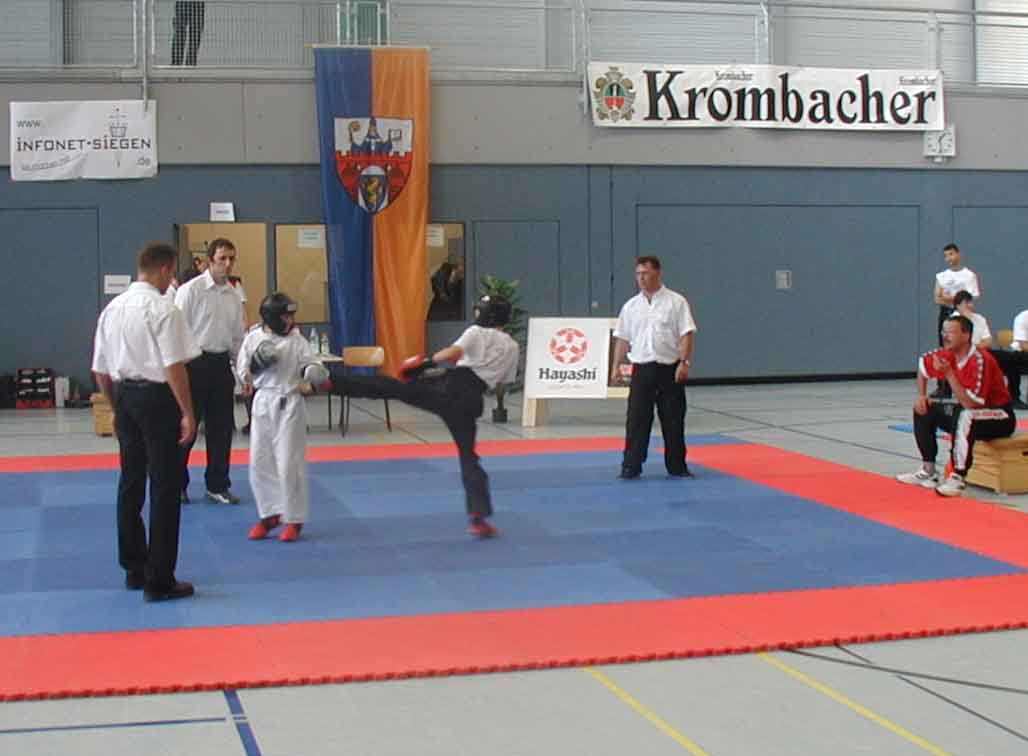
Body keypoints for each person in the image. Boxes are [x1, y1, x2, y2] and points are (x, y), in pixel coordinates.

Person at [329, 294, 519, 537]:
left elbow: (451, 353)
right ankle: (478, 517)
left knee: (392, 387)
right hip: (472, 401)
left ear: (485, 314)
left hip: (452, 388)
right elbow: (502, 381)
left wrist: (425, 364)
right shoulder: (513, 347)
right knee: (469, 458)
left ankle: (333, 384)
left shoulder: (477, 332)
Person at [91, 242, 200, 602]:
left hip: (125, 396)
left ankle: (134, 568)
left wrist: (115, 407)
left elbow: (100, 370)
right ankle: (160, 580)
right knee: (165, 486)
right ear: (166, 269)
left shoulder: (112, 309)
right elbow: (173, 366)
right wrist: (187, 411)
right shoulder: (163, 308)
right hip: (157, 398)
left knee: (131, 482)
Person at [237, 293, 328, 542]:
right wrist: (254, 366)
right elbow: (243, 373)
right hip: (262, 402)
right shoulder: (253, 337)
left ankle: (294, 519)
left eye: (291, 316)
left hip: (289, 402)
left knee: (289, 464)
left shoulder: (297, 340)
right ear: (271, 317)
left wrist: (313, 371)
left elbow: (313, 365)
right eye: (285, 316)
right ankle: (270, 514)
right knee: (259, 462)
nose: (289, 320)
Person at [897, 315, 1015, 497]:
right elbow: (922, 365)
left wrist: (949, 374)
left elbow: (971, 404)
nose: (945, 336)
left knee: (965, 414)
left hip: (999, 416)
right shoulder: (947, 353)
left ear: (966, 335)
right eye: (943, 331)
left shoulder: (980, 360)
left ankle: (958, 477)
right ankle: (928, 470)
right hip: (969, 411)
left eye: (950, 332)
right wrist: (921, 395)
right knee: (924, 408)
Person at [612, 255, 697, 480]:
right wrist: (616, 366)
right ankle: (631, 465)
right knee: (636, 420)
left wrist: (684, 362)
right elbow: (622, 338)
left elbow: (686, 334)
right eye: (638, 274)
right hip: (642, 369)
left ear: (658, 273)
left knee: (673, 419)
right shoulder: (631, 306)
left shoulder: (676, 302)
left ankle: (677, 466)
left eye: (645, 273)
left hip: (669, 368)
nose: (641, 278)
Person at [174, 238, 245, 505]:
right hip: (193, 364)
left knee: (222, 429)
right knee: (187, 429)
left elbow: (237, 338)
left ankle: (217, 485)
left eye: (231, 259)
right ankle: (176, 485)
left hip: (220, 365)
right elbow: (177, 332)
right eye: (222, 258)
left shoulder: (233, 295)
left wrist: (243, 372)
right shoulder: (190, 291)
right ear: (209, 260)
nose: (227, 264)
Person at [934, 243, 981, 347]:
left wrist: (947, 297)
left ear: (958, 254)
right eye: (946, 256)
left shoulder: (969, 275)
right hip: (946, 313)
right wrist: (958, 298)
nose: (949, 258)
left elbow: (970, 297)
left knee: (963, 343)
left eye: (951, 254)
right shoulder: (941, 276)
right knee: (945, 344)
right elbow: (937, 298)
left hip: (963, 314)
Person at [992, 307, 1028, 409]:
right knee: (1012, 361)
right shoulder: (1023, 317)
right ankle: (1014, 397)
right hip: (1022, 353)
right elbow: (1023, 345)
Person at [172, 1, 206, 67]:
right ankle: (176, 65)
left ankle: (189, 66)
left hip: (197, 4)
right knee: (180, 33)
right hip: (184, 3)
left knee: (195, 34)